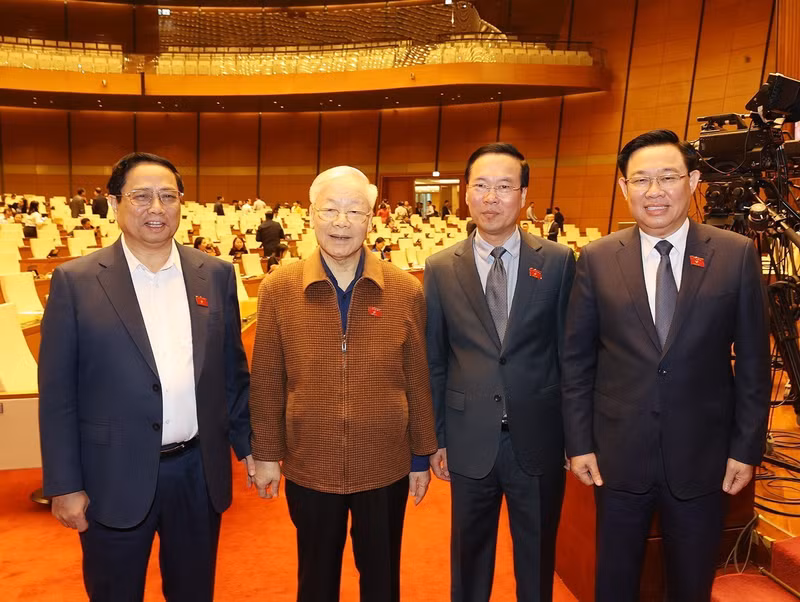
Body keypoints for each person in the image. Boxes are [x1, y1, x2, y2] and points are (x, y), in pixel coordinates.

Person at [562, 129, 770, 602]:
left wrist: (746, 448)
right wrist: (579, 444)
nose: (654, 192)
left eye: (668, 177)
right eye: (641, 180)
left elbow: (755, 363)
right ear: (623, 188)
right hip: (616, 458)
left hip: (704, 457)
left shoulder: (734, 255)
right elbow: (576, 361)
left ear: (693, 181)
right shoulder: (596, 258)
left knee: (692, 584)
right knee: (614, 583)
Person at [38, 152, 254, 602]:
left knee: (194, 591)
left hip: (197, 472)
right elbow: (58, 394)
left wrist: (249, 447)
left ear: (181, 204)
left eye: (167, 197)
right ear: (115, 203)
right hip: (109, 476)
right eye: (140, 196)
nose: (156, 208)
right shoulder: (75, 282)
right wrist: (64, 483)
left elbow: (231, 373)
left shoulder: (213, 275)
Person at [250, 165, 437, 602]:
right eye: (329, 209)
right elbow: (266, 381)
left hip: (385, 464)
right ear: (311, 215)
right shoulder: (279, 288)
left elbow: (418, 380)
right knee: (315, 580)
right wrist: (265, 454)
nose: (341, 222)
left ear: (371, 220)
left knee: (382, 578)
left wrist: (421, 456)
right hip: (310, 463)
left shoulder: (404, 289)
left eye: (354, 211)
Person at [425, 143, 576, 602]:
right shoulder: (439, 268)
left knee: (536, 559)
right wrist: (438, 438)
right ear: (466, 195)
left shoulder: (557, 261)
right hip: (469, 438)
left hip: (539, 438)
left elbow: (569, 356)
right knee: (469, 561)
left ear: (524, 196)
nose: (492, 197)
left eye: (505, 186)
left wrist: (575, 438)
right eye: (481, 186)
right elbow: (434, 360)